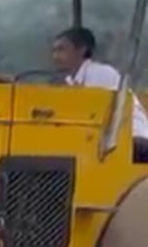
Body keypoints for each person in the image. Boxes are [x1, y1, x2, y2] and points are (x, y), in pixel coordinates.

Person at [52, 26, 148, 161]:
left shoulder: (100, 73)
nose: (55, 56)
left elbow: (89, 113)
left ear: (81, 50)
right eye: (54, 51)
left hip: (134, 139)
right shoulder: (71, 81)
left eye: (61, 50)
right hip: (107, 141)